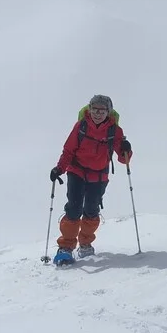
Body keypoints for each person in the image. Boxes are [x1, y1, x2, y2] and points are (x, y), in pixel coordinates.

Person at [49, 94, 132, 265]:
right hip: (77, 171)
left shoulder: (115, 131)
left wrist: (126, 149)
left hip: (99, 175)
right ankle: (66, 247)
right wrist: (59, 168)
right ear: (90, 109)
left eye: (102, 110)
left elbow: (123, 159)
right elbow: (68, 151)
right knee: (74, 208)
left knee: (92, 210)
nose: (97, 113)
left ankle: (85, 244)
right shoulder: (81, 126)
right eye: (95, 109)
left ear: (108, 112)